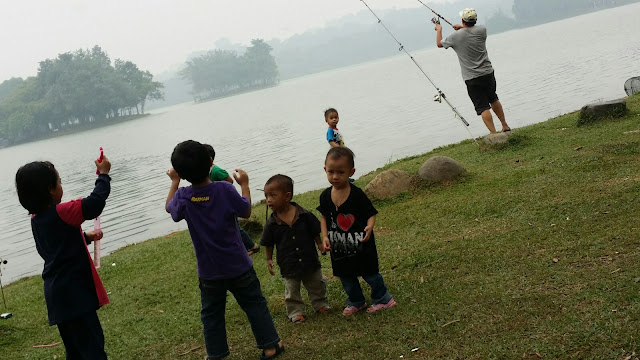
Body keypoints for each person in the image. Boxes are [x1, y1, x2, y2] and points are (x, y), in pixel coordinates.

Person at [165, 140, 284, 360]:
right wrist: (245, 185)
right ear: (211, 162)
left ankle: (216, 355)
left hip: (209, 272)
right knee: (255, 305)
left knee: (211, 316)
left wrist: (174, 182)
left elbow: (169, 209)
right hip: (239, 265)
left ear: (181, 173)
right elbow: (246, 211)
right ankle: (270, 347)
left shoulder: (183, 196)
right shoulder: (224, 189)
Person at [15, 156, 112, 360]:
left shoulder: (36, 220)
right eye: (59, 182)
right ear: (50, 189)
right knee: (92, 348)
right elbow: (95, 203)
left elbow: (54, 249)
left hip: (58, 296)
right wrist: (103, 175)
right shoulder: (64, 211)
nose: (61, 186)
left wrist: (84, 237)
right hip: (75, 293)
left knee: (76, 351)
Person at [316, 147, 397, 316]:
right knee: (346, 276)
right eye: (331, 172)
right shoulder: (324, 196)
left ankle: (383, 298)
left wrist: (370, 226)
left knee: (370, 273)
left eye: (341, 172)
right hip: (339, 247)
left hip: (361, 244)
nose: (335, 176)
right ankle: (356, 301)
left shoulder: (357, 194)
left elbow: (370, 213)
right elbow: (324, 217)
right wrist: (324, 236)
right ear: (325, 170)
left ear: (351, 172)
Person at [260, 174, 329, 323]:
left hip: (309, 258)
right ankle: (295, 312)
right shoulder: (271, 223)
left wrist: (319, 244)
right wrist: (268, 259)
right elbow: (268, 243)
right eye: (266, 196)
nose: (268, 200)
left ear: (287, 196)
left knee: (316, 284)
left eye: (272, 195)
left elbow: (314, 232)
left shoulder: (304, 215)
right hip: (288, 262)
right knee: (292, 290)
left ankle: (321, 304)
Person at [435, 8, 511, 134]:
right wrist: (462, 28)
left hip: (472, 78)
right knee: (493, 98)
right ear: (475, 20)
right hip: (488, 73)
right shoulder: (482, 30)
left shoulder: (455, 36)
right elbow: (469, 32)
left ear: (462, 20)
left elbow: (439, 44)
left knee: (483, 107)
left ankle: (494, 135)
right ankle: (505, 125)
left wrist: (439, 30)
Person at [203, 144, 260, 255]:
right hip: (216, 204)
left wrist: (219, 189)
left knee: (234, 226)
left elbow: (229, 180)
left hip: (224, 202)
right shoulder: (206, 172)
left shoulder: (216, 170)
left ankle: (253, 246)